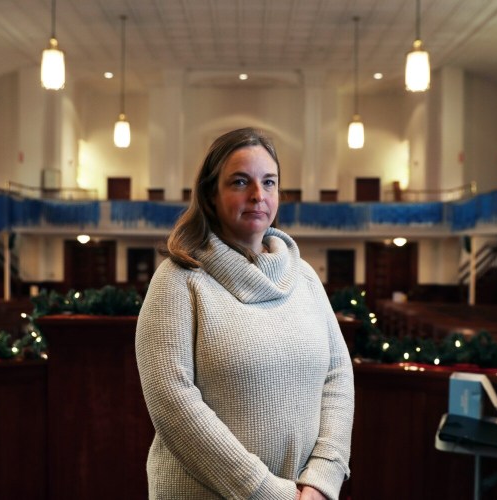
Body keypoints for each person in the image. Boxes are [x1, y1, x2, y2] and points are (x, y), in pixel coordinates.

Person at [135, 127, 354, 500]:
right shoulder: (178, 281)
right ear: (210, 194)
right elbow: (173, 403)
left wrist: (321, 480)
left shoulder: (303, 277)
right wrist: (265, 492)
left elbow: (338, 376)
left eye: (269, 182)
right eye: (240, 182)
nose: (258, 195)